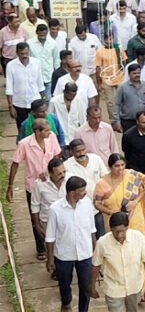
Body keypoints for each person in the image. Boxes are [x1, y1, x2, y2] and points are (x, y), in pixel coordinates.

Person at [6, 117, 62, 259]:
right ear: (37, 132)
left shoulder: (52, 138)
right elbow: (15, 163)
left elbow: (56, 156)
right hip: (33, 186)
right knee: (35, 217)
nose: (50, 133)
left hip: (52, 184)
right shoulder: (24, 144)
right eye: (47, 130)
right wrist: (10, 185)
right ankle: (41, 248)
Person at [45, 176, 95, 312]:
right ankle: (66, 302)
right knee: (64, 284)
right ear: (72, 193)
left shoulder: (87, 204)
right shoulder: (55, 209)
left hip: (85, 254)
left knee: (85, 286)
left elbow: (92, 230)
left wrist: (95, 253)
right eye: (82, 190)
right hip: (64, 255)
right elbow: (50, 237)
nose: (85, 193)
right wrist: (50, 259)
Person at [90, 211, 145, 312]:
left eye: (122, 231)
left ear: (127, 227)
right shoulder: (102, 243)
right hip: (113, 290)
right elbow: (95, 265)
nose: (119, 235)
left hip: (134, 287)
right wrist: (92, 286)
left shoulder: (138, 237)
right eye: (116, 232)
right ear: (110, 229)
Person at [93, 153, 145, 236]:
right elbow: (97, 204)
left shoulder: (132, 175)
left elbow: (143, 191)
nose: (120, 168)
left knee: (137, 241)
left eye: (122, 165)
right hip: (115, 221)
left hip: (134, 216)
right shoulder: (102, 183)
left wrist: (135, 202)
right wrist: (110, 212)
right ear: (110, 167)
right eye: (116, 166)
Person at [64, 139, 109, 237]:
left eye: (83, 150)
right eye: (78, 151)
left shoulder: (96, 159)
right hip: (79, 209)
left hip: (97, 207)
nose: (81, 153)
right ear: (71, 152)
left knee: (101, 236)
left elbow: (105, 178)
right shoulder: (66, 166)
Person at [6, 41, 46, 129]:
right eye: (22, 54)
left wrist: (43, 99)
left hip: (34, 101)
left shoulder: (36, 63)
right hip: (19, 103)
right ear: (17, 53)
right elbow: (9, 88)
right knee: (21, 128)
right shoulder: (11, 66)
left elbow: (40, 82)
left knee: (38, 127)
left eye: (26, 53)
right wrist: (10, 106)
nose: (24, 56)